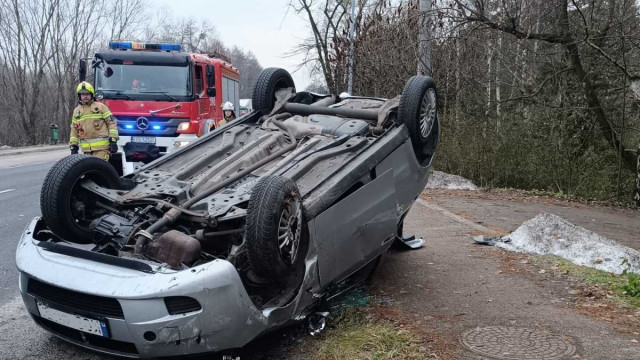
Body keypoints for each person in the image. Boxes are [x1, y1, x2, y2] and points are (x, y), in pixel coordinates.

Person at [69, 81, 118, 161]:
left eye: (87, 94)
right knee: (89, 172)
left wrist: (113, 140)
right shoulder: (76, 111)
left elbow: (111, 123)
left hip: (102, 149)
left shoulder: (101, 107)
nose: (85, 96)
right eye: (83, 94)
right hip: (86, 150)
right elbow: (74, 130)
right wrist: (73, 146)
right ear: (79, 96)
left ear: (92, 95)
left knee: (99, 171)